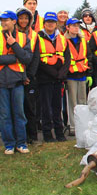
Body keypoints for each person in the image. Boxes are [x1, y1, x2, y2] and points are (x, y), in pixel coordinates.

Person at [0, 10, 33, 154]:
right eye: (1, 21)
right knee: (4, 115)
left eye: (6, 20)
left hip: (17, 81)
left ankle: (21, 143)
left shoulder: (23, 37)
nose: (3, 23)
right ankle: (9, 144)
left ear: (14, 21)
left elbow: (26, 58)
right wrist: (14, 59)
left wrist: (14, 45)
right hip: (0, 82)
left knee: (19, 113)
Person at [36, 12, 71, 142]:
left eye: (52, 22)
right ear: (44, 24)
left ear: (56, 24)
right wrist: (52, 72)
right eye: (48, 22)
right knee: (46, 108)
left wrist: (62, 73)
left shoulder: (62, 38)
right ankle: (47, 134)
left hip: (58, 78)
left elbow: (67, 57)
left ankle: (59, 133)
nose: (50, 24)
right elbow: (37, 59)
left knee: (57, 107)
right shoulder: (38, 38)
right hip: (44, 78)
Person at [16, 8, 41, 144]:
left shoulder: (34, 35)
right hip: (16, 74)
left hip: (30, 76)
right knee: (19, 108)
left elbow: (35, 57)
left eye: (26, 18)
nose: (24, 21)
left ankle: (33, 135)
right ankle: (22, 136)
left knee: (31, 107)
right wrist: (21, 75)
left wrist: (29, 75)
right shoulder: (12, 34)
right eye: (21, 18)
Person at [64, 17, 90, 135]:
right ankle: (74, 127)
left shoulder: (83, 40)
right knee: (73, 103)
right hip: (70, 75)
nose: (76, 28)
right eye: (73, 26)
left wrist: (89, 74)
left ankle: (84, 125)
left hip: (82, 74)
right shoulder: (64, 40)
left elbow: (87, 56)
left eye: (77, 26)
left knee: (83, 102)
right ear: (68, 27)